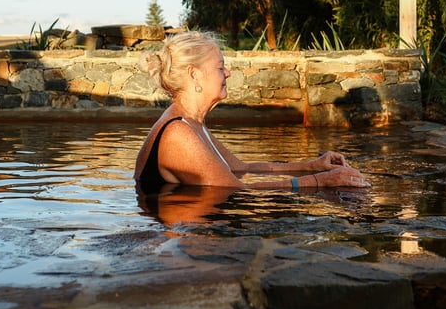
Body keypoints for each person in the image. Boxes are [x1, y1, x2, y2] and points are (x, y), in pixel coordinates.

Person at [134, 31, 371, 191]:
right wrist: (321, 181)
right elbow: (238, 189)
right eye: (220, 67)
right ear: (194, 74)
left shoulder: (191, 123)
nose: (227, 73)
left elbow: (241, 168)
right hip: (177, 253)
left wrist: (314, 165)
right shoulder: (178, 133)